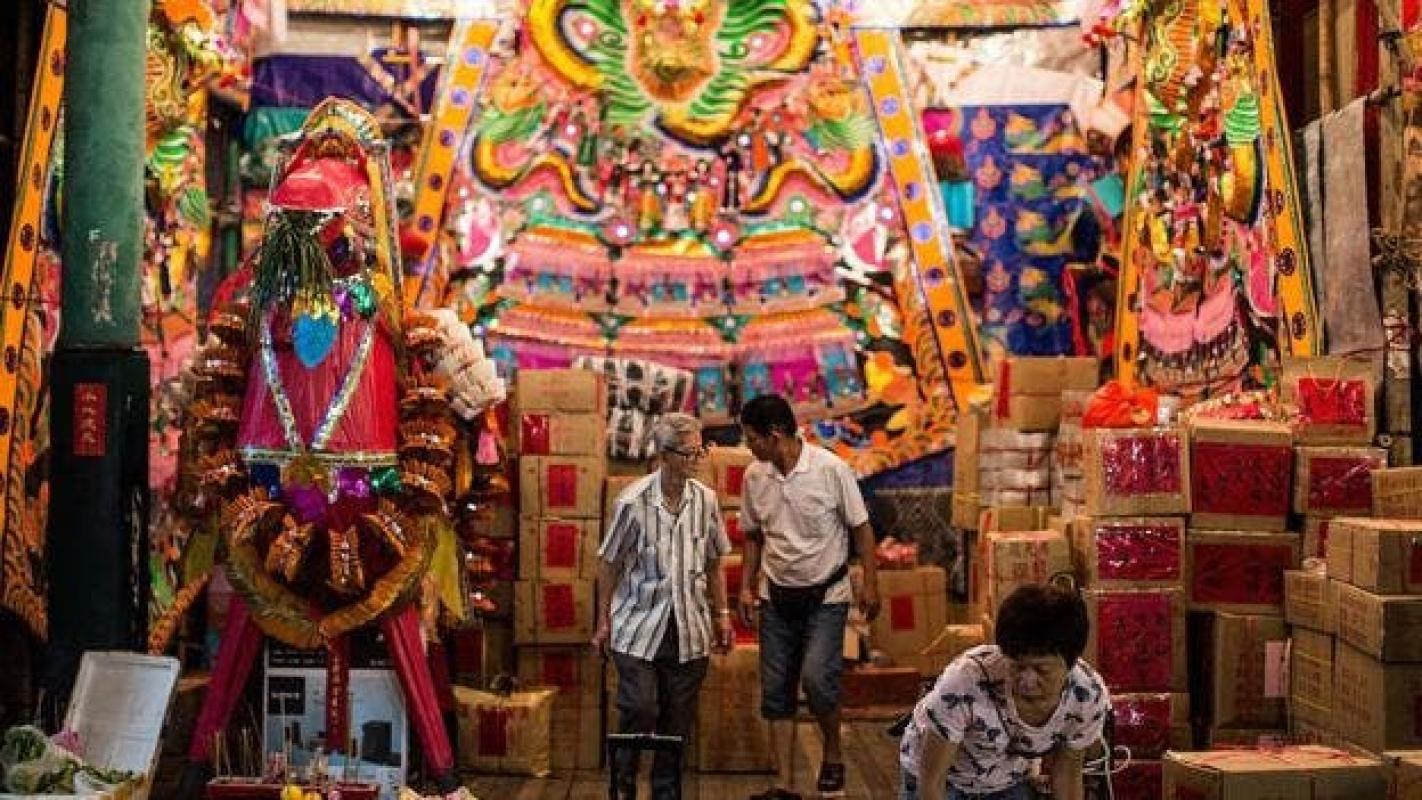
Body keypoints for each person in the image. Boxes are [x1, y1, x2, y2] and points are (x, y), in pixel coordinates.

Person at [735, 394, 880, 800]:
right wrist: (746, 586)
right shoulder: (754, 477)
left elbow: (862, 529)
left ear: (775, 435)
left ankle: (832, 752)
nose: (748, 446)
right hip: (776, 597)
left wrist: (871, 584)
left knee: (818, 680)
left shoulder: (830, 469)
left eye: (752, 439)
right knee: (776, 690)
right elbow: (752, 536)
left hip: (826, 596)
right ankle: (784, 784)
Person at [595, 413, 735, 800]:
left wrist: (722, 615)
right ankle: (624, 784)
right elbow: (609, 562)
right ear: (665, 454)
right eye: (689, 453)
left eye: (700, 452)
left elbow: (714, 561)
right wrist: (602, 620)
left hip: (689, 627)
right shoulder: (632, 502)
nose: (697, 460)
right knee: (640, 708)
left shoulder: (705, 500)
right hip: (637, 624)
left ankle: (665, 793)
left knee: (677, 720)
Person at [898, 584, 1109, 800]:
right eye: (1017, 665)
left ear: (1071, 662)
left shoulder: (1087, 697)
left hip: (1005, 778)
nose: (1027, 680)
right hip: (943, 779)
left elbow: (1067, 774)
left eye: (1042, 670)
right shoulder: (964, 683)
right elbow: (932, 781)